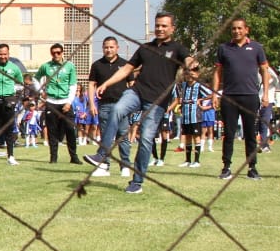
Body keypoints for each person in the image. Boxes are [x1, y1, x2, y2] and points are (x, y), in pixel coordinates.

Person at [84, 12, 191, 195]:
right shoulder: (145, 48)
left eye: (164, 26)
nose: (160, 28)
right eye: (157, 25)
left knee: (146, 139)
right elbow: (127, 69)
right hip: (137, 92)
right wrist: (106, 83)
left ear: (172, 28)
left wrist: (191, 63)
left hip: (157, 101)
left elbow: (188, 59)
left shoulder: (178, 49)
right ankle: (102, 154)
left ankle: (137, 182)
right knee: (116, 109)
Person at [212, 17, 270, 181]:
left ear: (246, 30)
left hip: (250, 96)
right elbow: (217, 72)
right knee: (228, 134)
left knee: (251, 133)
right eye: (233, 29)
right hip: (229, 97)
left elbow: (265, 70)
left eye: (239, 28)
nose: (236, 31)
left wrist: (265, 94)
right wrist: (215, 93)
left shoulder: (256, 48)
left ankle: (252, 168)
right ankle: (226, 167)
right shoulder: (223, 48)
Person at [86, 36, 132, 178]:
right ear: (103, 48)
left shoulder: (125, 65)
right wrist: (92, 104)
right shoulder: (97, 65)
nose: (109, 49)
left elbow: (132, 85)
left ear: (117, 48)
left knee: (122, 136)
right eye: (106, 47)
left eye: (111, 47)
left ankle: (125, 165)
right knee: (105, 136)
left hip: (122, 105)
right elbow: (91, 85)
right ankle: (104, 166)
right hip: (104, 105)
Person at [35, 43, 80, 164]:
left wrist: (69, 102)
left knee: (70, 129)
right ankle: (53, 157)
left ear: (62, 53)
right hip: (51, 102)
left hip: (65, 102)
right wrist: (41, 91)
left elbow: (73, 85)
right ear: (51, 54)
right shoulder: (46, 66)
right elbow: (35, 78)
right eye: (53, 53)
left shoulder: (69, 66)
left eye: (58, 52)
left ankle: (74, 157)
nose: (56, 55)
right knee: (52, 131)